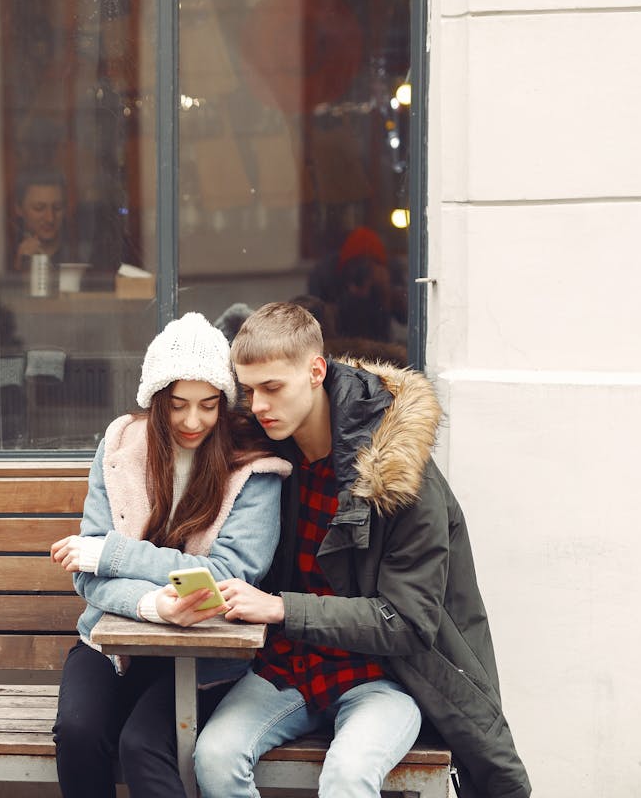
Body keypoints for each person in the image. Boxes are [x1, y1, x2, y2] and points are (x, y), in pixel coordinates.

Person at [193, 302, 531, 798]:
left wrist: (281, 608)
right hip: (288, 667)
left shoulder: (398, 476)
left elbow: (407, 622)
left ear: (315, 371)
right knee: (213, 757)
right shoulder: (268, 454)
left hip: (384, 676)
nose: (259, 405)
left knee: (348, 776)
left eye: (272, 388)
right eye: (248, 390)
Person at [49, 312, 292, 798]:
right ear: (156, 401)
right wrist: (153, 606)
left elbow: (223, 575)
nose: (193, 421)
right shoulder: (119, 446)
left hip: (203, 653)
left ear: (224, 403)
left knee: (143, 744)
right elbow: (85, 574)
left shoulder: (254, 469)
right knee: (78, 733)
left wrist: (114, 555)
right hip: (112, 643)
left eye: (208, 405)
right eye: (178, 404)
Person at [11, 169, 69, 270]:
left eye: (57, 207)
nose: (50, 218)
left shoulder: (80, 254)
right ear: (19, 208)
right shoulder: (4, 256)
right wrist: (19, 267)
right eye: (39, 208)